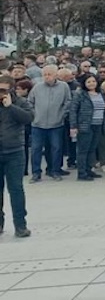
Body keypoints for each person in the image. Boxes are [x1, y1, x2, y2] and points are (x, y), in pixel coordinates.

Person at [0, 75, 34, 237]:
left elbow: (29, 118)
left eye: (4, 90)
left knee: (16, 189)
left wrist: (10, 107)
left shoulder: (20, 102)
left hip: (14, 151)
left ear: (11, 89)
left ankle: (20, 225)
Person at [27, 65, 70, 182]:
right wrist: (34, 115)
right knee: (36, 149)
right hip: (38, 124)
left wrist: (61, 115)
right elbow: (29, 102)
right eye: (44, 74)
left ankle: (55, 171)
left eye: (49, 74)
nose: (47, 77)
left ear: (56, 75)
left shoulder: (64, 86)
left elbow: (68, 102)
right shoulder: (37, 87)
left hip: (56, 124)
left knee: (56, 148)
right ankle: (36, 173)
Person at [69, 74, 105, 181]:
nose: (91, 84)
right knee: (83, 150)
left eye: (93, 81)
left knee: (92, 149)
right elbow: (73, 111)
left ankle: (89, 169)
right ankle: (82, 173)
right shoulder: (80, 94)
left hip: (98, 125)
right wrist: (73, 126)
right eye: (88, 82)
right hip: (85, 126)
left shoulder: (100, 94)